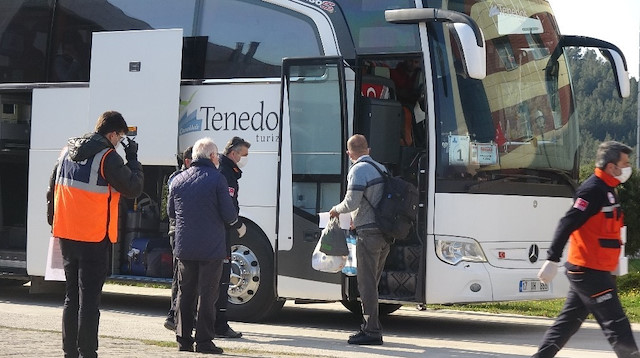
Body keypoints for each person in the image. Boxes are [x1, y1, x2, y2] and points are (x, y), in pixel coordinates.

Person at [46, 110, 144, 358]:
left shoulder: (66, 151)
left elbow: (51, 190)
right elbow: (133, 187)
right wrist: (133, 159)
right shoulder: (107, 157)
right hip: (94, 236)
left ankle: (70, 353)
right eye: (120, 137)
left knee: (71, 297)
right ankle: (88, 352)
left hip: (67, 234)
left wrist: (54, 222)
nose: (119, 142)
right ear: (112, 133)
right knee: (89, 301)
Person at [533, 141, 640, 358]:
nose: (628, 167)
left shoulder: (608, 190)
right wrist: (552, 259)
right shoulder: (592, 191)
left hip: (594, 269)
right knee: (617, 324)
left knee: (567, 324)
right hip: (588, 270)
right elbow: (567, 223)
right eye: (625, 163)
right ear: (612, 167)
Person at [167, 137, 246, 354]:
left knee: (185, 293)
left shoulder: (178, 179)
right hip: (211, 248)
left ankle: (183, 340)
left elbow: (171, 213)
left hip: (184, 247)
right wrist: (238, 226)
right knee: (208, 294)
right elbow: (228, 213)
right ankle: (203, 341)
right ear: (212, 156)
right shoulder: (217, 179)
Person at [329, 134, 390, 345]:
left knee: (366, 285)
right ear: (368, 150)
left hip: (369, 235)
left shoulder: (358, 170)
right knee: (372, 283)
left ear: (349, 153)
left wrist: (335, 211)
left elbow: (351, 202)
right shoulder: (381, 168)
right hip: (385, 234)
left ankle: (371, 331)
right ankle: (371, 327)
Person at [215, 136, 251, 338]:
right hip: (221, 232)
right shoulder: (226, 172)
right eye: (244, 154)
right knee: (221, 279)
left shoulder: (227, 170)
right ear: (233, 153)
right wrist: (236, 224)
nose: (244, 159)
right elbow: (227, 206)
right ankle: (219, 325)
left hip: (219, 231)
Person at [163, 146, 193, 331]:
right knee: (179, 275)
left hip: (180, 232)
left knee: (181, 276)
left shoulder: (179, 178)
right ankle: (173, 316)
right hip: (178, 232)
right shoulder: (177, 179)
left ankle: (176, 315)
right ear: (187, 161)